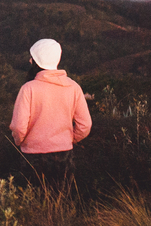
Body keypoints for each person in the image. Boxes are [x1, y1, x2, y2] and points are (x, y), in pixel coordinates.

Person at [9, 38, 91, 184]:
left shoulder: (28, 89)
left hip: (32, 155)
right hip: (64, 154)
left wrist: (20, 142)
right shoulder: (73, 87)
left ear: (36, 62)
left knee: (33, 200)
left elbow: (18, 127)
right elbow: (85, 125)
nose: (29, 61)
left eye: (32, 58)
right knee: (62, 199)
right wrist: (69, 139)